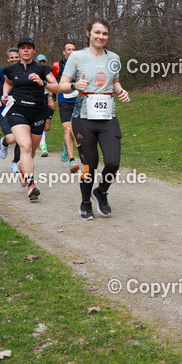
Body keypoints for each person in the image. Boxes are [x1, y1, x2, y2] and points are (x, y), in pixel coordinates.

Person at [58, 19, 129, 219]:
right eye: (97, 32)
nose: (101, 36)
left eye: (104, 33)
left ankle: (101, 191)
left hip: (107, 117)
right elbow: (62, 85)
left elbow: (115, 82)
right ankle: (85, 202)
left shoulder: (114, 58)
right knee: (90, 165)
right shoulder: (77, 56)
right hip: (83, 118)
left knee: (113, 162)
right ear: (88, 33)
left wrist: (121, 91)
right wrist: (74, 86)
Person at [0, 37, 60, 200]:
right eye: (22, 47)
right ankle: (31, 184)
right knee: (25, 147)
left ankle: (22, 167)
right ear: (18, 51)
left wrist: (42, 82)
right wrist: (5, 93)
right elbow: (8, 83)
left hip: (38, 112)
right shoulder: (11, 69)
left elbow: (57, 87)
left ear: (33, 50)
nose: (25, 50)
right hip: (17, 110)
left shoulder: (43, 68)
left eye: (29, 47)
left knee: (31, 151)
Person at [52, 41, 80, 172]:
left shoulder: (82, 63)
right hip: (64, 100)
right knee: (68, 130)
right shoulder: (57, 66)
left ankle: (66, 144)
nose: (72, 51)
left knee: (75, 131)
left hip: (78, 100)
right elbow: (52, 82)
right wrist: (50, 98)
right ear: (64, 52)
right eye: (69, 49)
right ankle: (72, 160)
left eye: (74, 49)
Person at [0, 46, 22, 172]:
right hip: (5, 107)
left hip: (20, 107)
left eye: (17, 57)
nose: (14, 59)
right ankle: (4, 142)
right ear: (8, 59)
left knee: (20, 137)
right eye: (12, 58)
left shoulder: (25, 70)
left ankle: (16, 162)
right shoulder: (2, 71)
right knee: (11, 138)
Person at [36, 53, 54, 157]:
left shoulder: (48, 72)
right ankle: (43, 146)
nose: (42, 63)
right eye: (40, 61)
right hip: (37, 99)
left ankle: (40, 138)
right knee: (41, 122)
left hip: (47, 98)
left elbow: (53, 85)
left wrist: (50, 98)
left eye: (43, 61)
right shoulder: (34, 71)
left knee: (47, 127)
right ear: (37, 61)